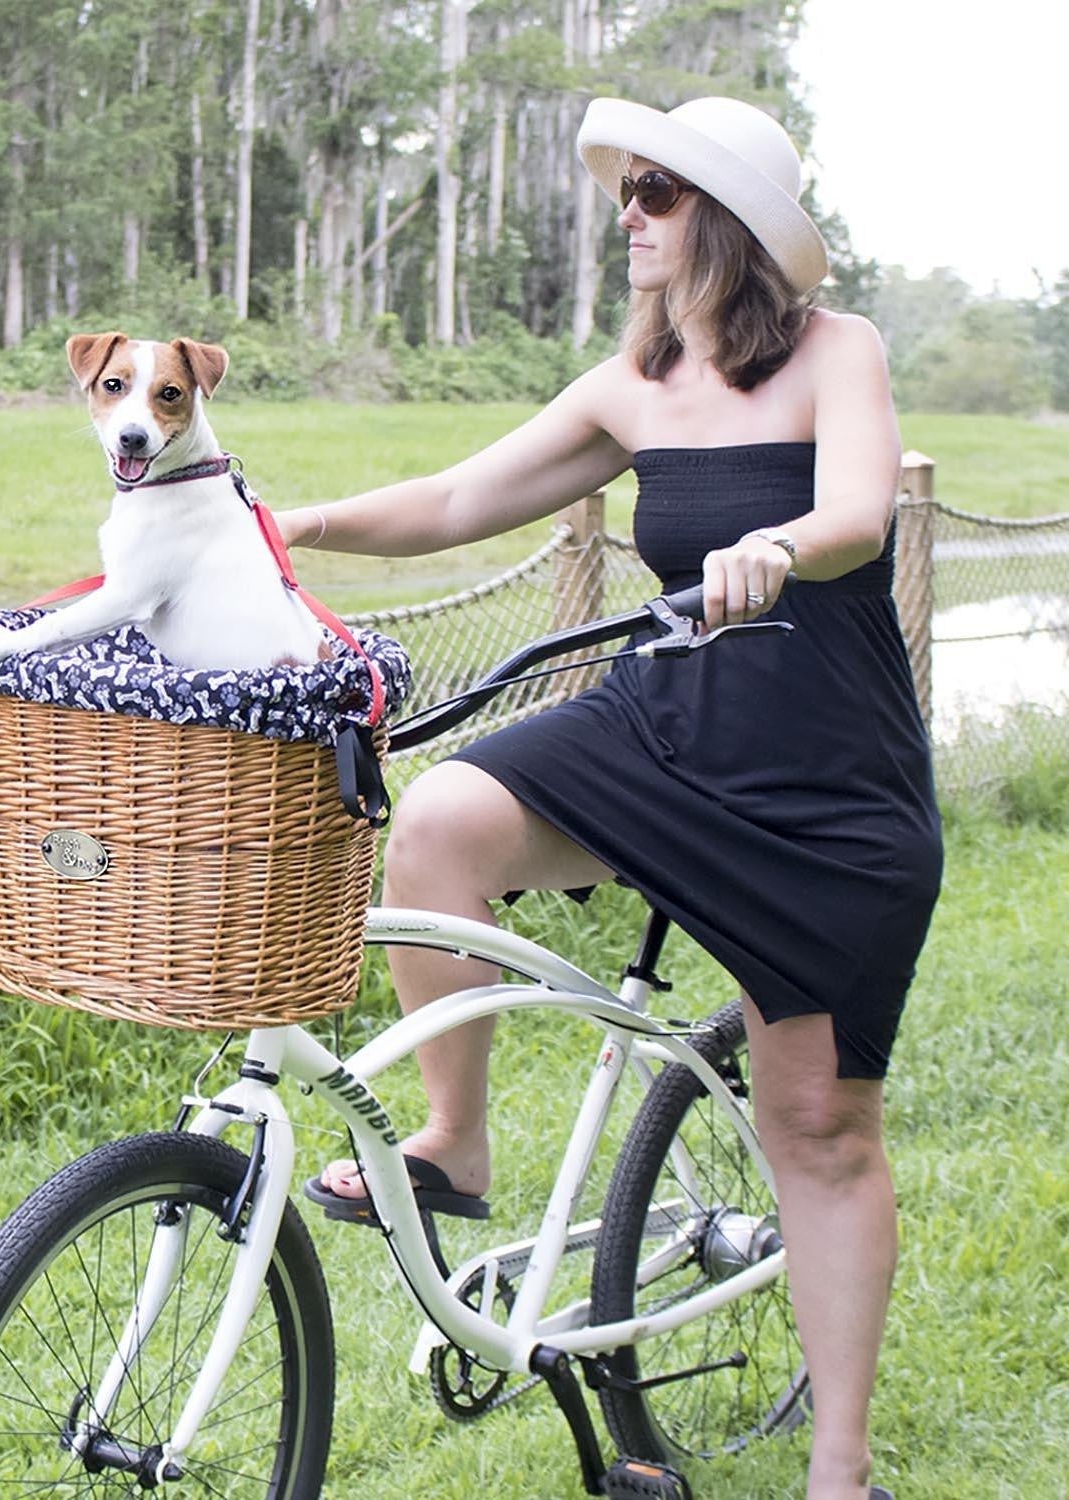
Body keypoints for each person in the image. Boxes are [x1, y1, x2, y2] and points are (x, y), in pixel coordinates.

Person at [276, 96, 940, 1500]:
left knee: (817, 1128)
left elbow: (861, 514)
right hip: (664, 728)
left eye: (655, 191)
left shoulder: (837, 353)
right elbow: (461, 500)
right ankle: (456, 1143)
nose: (627, 213)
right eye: (625, 191)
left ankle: (839, 1469)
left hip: (826, 780)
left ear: (730, 221)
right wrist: (295, 526)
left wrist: (781, 542)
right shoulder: (630, 383)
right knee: (441, 818)